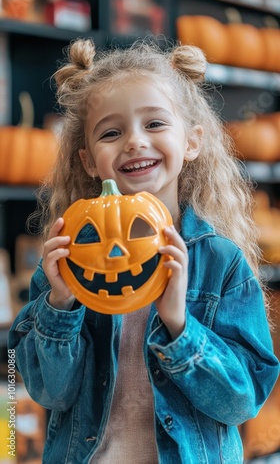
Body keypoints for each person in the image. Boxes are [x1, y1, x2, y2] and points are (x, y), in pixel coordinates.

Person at [9, 38, 279, 464]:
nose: (134, 142)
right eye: (112, 132)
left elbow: (242, 402)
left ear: (191, 142)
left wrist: (179, 325)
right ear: (88, 161)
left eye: (154, 124)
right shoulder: (68, 264)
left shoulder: (222, 264)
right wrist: (60, 306)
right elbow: (47, 393)